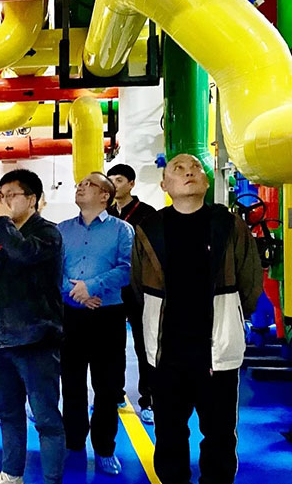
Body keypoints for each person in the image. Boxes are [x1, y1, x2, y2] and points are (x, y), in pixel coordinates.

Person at [130, 154, 263, 484]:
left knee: (220, 433)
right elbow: (138, 286)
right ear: (164, 185)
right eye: (178, 169)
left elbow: (250, 280)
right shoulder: (149, 229)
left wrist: (232, 317)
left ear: (206, 181)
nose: (188, 172)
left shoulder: (229, 225)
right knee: (169, 432)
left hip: (217, 351)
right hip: (167, 351)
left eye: (195, 169)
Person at [0, 170, 65, 484]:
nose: (4, 201)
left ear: (32, 200)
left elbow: (24, 254)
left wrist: (2, 222)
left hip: (36, 339)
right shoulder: (6, 236)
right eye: (1, 196)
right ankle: (11, 474)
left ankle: (52, 479)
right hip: (3, 339)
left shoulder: (47, 233)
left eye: (11, 195)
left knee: (46, 418)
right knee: (8, 412)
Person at [57, 171, 134, 476]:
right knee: (71, 382)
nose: (81, 187)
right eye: (80, 184)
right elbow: (53, 270)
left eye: (89, 184)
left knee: (107, 385)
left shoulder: (122, 230)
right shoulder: (62, 230)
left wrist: (92, 287)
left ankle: (104, 448)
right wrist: (75, 292)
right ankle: (74, 442)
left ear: (105, 195)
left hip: (107, 316)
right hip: (71, 315)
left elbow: (127, 269)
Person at [107, 164, 157, 424]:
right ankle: (114, 393)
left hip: (139, 288)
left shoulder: (147, 214)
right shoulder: (104, 214)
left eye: (119, 180)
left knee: (143, 344)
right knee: (112, 344)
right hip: (112, 288)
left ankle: (148, 399)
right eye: (111, 180)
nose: (114, 185)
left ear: (131, 184)